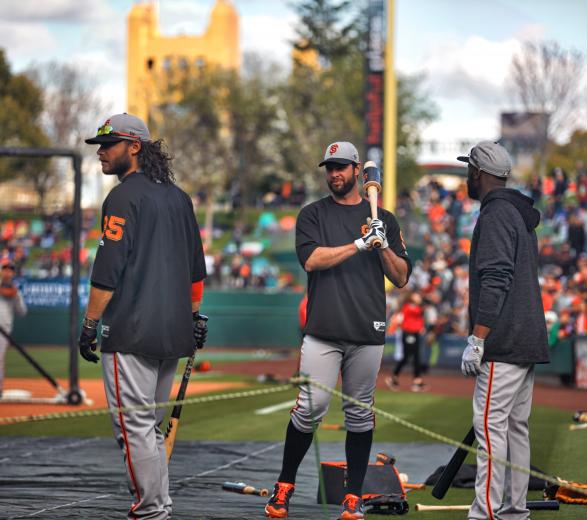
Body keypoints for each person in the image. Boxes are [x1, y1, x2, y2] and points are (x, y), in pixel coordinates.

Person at [265, 141, 411, 520]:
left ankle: (353, 497)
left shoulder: (386, 219)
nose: (334, 174)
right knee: (309, 408)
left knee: (360, 415)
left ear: (358, 171)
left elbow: (401, 277)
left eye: (341, 167)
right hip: (323, 330)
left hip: (368, 328)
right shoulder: (312, 215)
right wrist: (359, 243)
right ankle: (283, 488)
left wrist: (380, 245)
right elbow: (312, 261)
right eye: (329, 168)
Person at [79, 113, 208, 520]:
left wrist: (89, 325)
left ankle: (151, 511)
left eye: (109, 144)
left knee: (134, 430)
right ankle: (160, 507)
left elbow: (107, 271)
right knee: (149, 428)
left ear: (135, 147)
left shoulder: (121, 197)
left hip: (131, 331)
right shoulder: (179, 198)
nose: (101, 152)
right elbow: (196, 272)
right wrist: (194, 316)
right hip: (173, 333)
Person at [457, 141, 549, 520]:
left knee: (491, 428)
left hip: (503, 340)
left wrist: (478, 338)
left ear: (478, 173)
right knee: (515, 429)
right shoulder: (517, 213)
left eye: (469, 169)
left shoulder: (495, 214)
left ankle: (488, 513)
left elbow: (496, 278)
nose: (467, 175)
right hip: (526, 337)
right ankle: (513, 510)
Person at [386, 291, 426, 392]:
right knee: (407, 357)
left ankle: (417, 381)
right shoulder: (409, 306)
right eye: (416, 296)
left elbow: (419, 317)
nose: (419, 297)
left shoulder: (417, 307)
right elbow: (416, 312)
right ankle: (394, 377)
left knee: (415, 357)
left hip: (415, 334)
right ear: (411, 298)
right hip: (409, 334)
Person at [0, 259, 27, 398]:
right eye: (5, 268)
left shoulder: (14, 291)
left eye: (10, 269)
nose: (7, 272)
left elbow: (22, 312)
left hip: (3, 330)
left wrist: (16, 297)